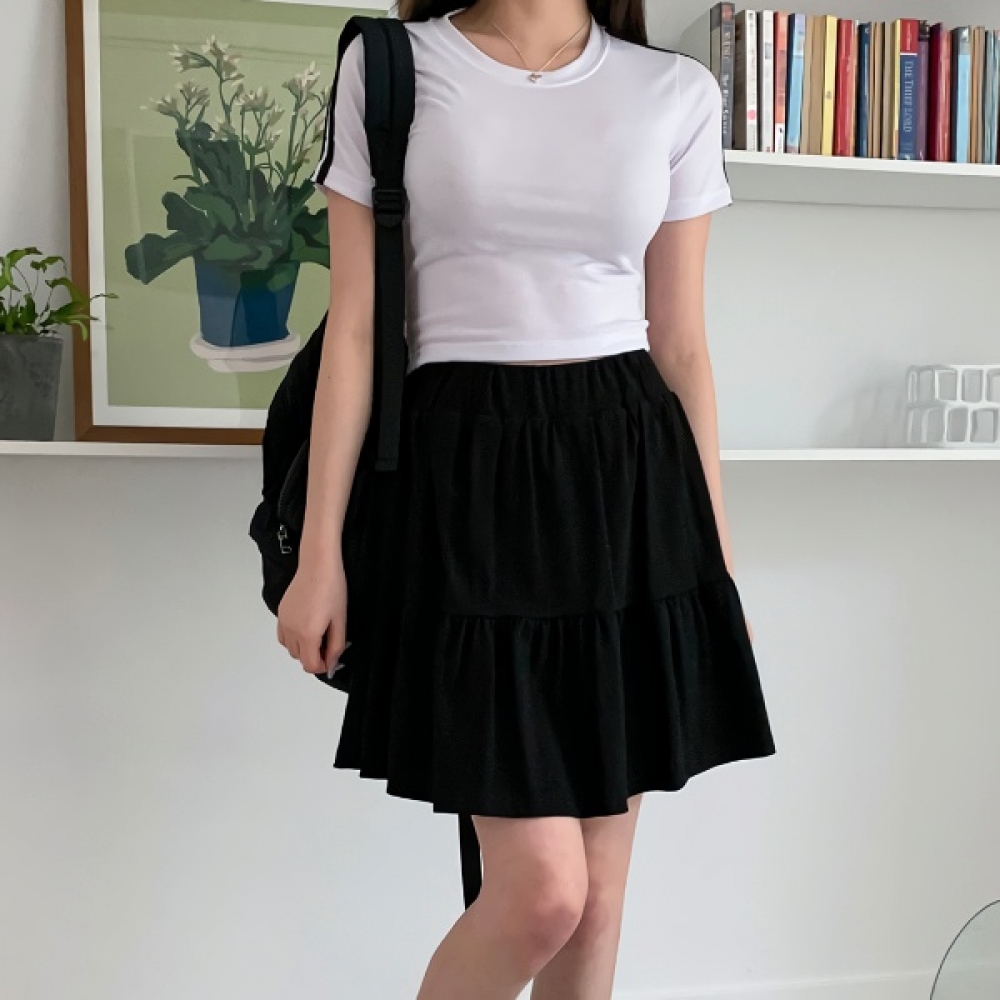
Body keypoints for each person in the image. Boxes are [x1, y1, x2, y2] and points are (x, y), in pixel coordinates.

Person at [277, 0, 776, 996]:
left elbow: (681, 346)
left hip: (628, 485)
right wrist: (318, 552)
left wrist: (714, 564)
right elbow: (357, 328)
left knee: (596, 911)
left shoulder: (673, 90)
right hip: (465, 481)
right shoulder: (393, 65)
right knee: (543, 893)